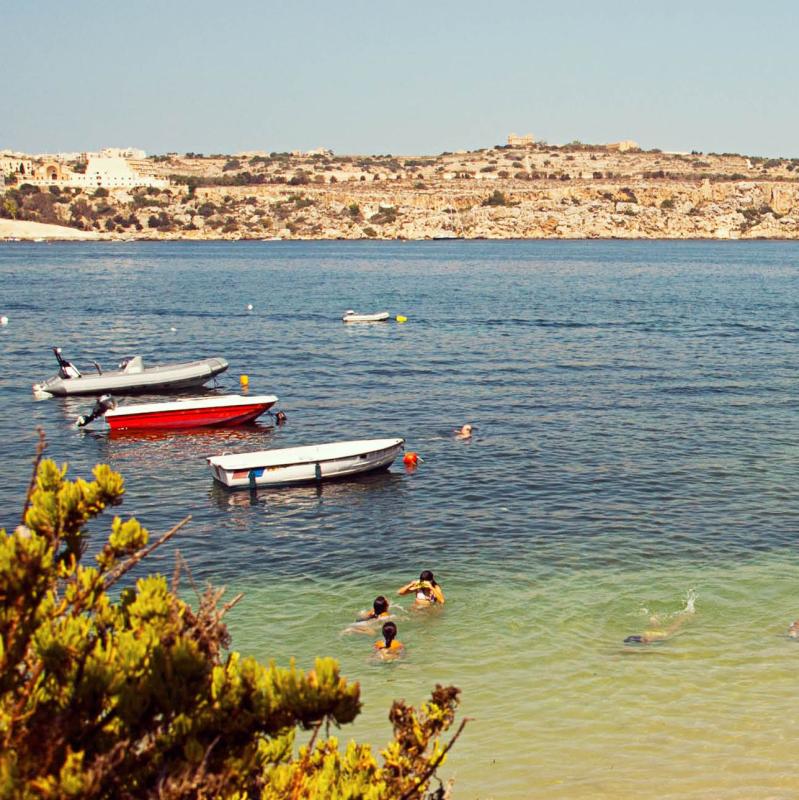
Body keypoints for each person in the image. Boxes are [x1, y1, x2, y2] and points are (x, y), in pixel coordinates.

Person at [624, 594, 695, 645]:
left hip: (650, 637)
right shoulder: (646, 636)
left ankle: (686, 614)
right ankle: (654, 620)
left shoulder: (657, 637)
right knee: (671, 626)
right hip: (646, 635)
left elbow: (645, 641)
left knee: (674, 626)